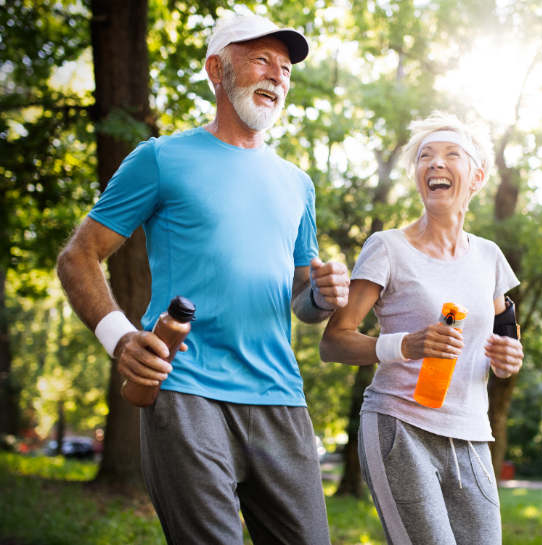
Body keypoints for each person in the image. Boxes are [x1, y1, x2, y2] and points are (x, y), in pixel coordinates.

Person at [57, 13, 349, 545]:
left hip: (280, 397)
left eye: (284, 69)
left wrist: (322, 298)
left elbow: (302, 301)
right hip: (188, 392)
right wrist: (119, 338)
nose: (277, 77)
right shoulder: (161, 158)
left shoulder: (297, 184)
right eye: (261, 60)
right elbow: (79, 256)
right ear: (218, 69)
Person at [320, 111, 524, 544]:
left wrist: (509, 359)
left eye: (452, 154)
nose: (435, 163)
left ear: (477, 177)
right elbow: (333, 342)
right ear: (417, 177)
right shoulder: (387, 248)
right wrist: (405, 345)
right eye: (425, 157)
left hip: (471, 435)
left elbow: (506, 331)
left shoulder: (489, 258)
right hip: (400, 426)